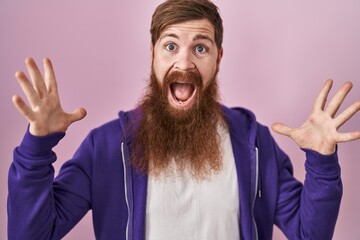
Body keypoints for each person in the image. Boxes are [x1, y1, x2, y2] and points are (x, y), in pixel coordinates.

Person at [7, 0, 360, 239]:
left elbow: (309, 233)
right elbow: (32, 233)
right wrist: (37, 147)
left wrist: (322, 162)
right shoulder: (105, 147)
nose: (185, 63)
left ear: (218, 58)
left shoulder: (255, 145)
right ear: (153, 55)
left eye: (201, 48)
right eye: (171, 46)